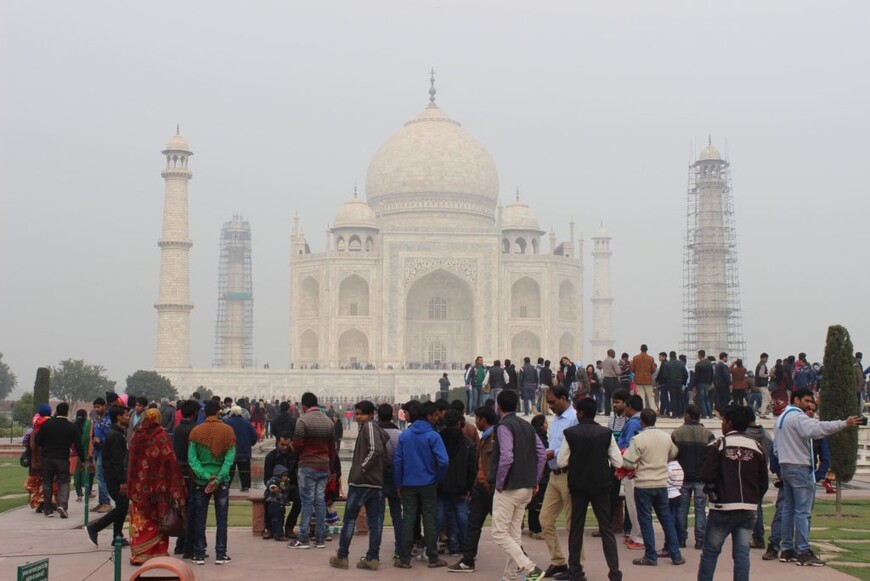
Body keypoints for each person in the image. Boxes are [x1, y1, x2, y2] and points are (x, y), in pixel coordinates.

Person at [773, 387, 862, 566]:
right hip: (799, 467)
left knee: (789, 510)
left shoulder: (781, 418)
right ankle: (803, 551)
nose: (810, 405)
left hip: (786, 466)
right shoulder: (797, 417)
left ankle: (787, 549)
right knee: (803, 512)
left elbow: (775, 448)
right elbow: (817, 429)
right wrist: (844, 423)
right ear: (796, 400)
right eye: (806, 401)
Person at [697, 406, 769, 581]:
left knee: (710, 553)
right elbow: (764, 482)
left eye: (723, 421)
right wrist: (753, 498)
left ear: (729, 423)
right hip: (748, 508)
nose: (722, 425)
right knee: (742, 555)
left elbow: (706, 474)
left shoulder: (719, 445)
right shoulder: (757, 447)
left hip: (723, 507)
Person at [557, 397, 624, 581]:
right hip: (601, 485)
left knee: (576, 529)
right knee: (606, 529)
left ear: (581, 413)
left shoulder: (570, 433)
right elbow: (618, 461)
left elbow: (561, 461)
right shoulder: (605, 433)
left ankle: (575, 571)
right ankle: (614, 571)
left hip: (578, 485)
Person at [489, 390, 547, 581]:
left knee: (499, 533)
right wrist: (535, 479)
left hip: (509, 487)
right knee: (513, 534)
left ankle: (528, 567)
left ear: (499, 406)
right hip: (526, 487)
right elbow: (541, 454)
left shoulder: (504, 426)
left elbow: (506, 457)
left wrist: (499, 481)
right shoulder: (526, 425)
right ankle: (511, 575)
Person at [330, 400, 392, 571]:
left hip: (363, 482)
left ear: (371, 414)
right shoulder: (371, 428)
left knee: (350, 519)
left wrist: (362, 468)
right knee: (375, 522)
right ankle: (372, 558)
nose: (358, 417)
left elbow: (375, 450)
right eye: (356, 414)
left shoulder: (370, 427)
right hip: (375, 483)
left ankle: (342, 556)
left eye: (361, 414)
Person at [621, 409, 684, 567]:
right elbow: (673, 453)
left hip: (643, 483)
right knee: (666, 519)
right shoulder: (666, 437)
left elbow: (628, 462)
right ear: (655, 420)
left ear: (641, 421)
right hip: (661, 483)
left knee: (646, 520)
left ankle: (650, 555)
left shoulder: (638, 439)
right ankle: (675, 554)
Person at [393, 401, 450, 569]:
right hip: (428, 483)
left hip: (409, 483)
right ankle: (432, 557)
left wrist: (399, 483)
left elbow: (398, 461)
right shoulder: (433, 436)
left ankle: (404, 558)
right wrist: (438, 478)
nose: (437, 418)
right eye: (434, 415)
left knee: (409, 519)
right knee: (429, 520)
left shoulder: (405, 435)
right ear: (428, 416)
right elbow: (444, 461)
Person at [127, 408, 187, 565]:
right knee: (157, 519)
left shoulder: (136, 437)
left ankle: (139, 554)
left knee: (141, 521)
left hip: (139, 489)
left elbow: (132, 464)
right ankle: (157, 553)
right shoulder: (161, 437)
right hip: (158, 490)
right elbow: (170, 462)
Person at [448, 405, 498, 574]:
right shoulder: (485, 436)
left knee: (503, 528)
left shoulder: (496, 436)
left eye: (477, 418)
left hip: (490, 487)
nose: (475, 422)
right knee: (473, 524)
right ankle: (468, 560)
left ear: (483, 419)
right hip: (480, 487)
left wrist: (489, 483)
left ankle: (522, 559)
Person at [188, 400, 237, 565]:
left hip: (202, 481)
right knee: (222, 519)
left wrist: (205, 475)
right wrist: (218, 477)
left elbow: (192, 459)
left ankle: (199, 554)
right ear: (218, 413)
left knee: (200, 517)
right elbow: (229, 459)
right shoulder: (227, 431)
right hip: (221, 481)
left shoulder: (196, 431)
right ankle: (221, 554)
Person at [289, 391, 337, 550]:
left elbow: (297, 446)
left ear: (304, 406)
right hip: (323, 466)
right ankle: (320, 539)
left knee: (307, 501)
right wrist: (329, 468)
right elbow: (332, 449)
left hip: (307, 466)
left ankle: (303, 539)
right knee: (319, 501)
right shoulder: (329, 422)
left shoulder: (302, 421)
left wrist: (292, 447)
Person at [538, 386, 577, 578]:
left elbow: (574, 447)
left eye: (553, 402)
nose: (551, 406)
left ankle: (576, 566)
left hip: (569, 474)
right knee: (545, 519)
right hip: (554, 474)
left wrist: (554, 453)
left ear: (563, 398)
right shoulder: (555, 420)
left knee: (572, 524)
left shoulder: (574, 418)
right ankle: (558, 561)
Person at [86, 404, 131, 548]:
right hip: (114, 476)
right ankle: (95, 527)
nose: (128, 418)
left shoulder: (116, 433)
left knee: (122, 505)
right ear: (118, 417)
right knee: (122, 505)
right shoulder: (116, 435)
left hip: (112, 474)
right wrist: (122, 481)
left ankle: (117, 536)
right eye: (126, 415)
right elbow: (118, 461)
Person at [671, 404, 714, 549]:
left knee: (682, 507)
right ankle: (700, 539)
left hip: (683, 476)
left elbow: (672, 455)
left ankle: (681, 538)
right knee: (700, 508)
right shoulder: (707, 434)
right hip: (701, 477)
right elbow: (711, 457)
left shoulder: (678, 433)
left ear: (687, 415)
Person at [436, 409, 476, 556]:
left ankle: (436, 546)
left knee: (440, 516)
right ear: (460, 423)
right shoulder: (467, 443)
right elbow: (472, 468)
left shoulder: (438, 439)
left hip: (440, 484)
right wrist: (469, 487)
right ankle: (463, 547)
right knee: (461, 516)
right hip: (461, 486)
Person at [35, 402, 85, 519]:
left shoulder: (47, 425)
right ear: (67, 412)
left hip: (47, 457)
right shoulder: (71, 427)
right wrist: (83, 460)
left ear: (56, 411)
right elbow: (79, 445)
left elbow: (38, 441)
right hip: (62, 458)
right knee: (64, 481)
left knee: (47, 482)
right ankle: (63, 505)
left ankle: (48, 508)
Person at [616, 395, 644, 549]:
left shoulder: (633, 423)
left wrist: (619, 458)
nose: (624, 409)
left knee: (633, 504)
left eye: (626, 406)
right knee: (633, 504)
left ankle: (639, 537)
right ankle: (634, 535)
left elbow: (628, 446)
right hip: (634, 468)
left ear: (631, 407)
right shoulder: (637, 421)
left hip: (631, 468)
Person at [172, 400, 200, 557]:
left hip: (180, 470)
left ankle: (180, 544)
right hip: (192, 471)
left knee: (182, 509)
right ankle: (191, 546)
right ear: (195, 412)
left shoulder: (177, 429)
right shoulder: (195, 429)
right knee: (193, 510)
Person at [377, 403, 404, 559]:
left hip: (379, 477)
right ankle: (399, 549)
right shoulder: (400, 434)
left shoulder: (375, 433)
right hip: (396, 477)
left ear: (378, 416)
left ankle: (374, 550)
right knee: (397, 515)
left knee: (378, 515)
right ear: (392, 415)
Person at [263, 433, 300, 539]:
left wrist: (290, 484)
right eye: (282, 444)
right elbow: (266, 478)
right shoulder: (271, 456)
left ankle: (289, 527)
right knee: (268, 500)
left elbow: (297, 475)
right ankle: (269, 528)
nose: (284, 447)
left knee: (300, 499)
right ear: (277, 443)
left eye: (287, 445)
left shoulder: (294, 456)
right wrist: (273, 487)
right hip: (274, 487)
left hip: (290, 487)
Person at [224, 406, 258, 492]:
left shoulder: (226, 422)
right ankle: (245, 487)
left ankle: (225, 486)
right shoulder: (247, 423)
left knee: (229, 471)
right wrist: (251, 443)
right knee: (244, 471)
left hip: (230, 452)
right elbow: (254, 435)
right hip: (244, 451)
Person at [527, 414, 549, 539]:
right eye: (545, 423)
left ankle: (532, 528)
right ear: (540, 426)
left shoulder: (533, 438)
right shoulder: (541, 441)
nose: (547, 425)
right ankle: (537, 529)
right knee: (538, 503)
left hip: (535, 475)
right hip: (542, 476)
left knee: (533, 503)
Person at [90, 397, 112, 513]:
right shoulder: (98, 418)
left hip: (104, 449)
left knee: (100, 476)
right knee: (98, 477)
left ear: (104, 406)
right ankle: (101, 501)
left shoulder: (108, 419)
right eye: (95, 407)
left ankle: (106, 502)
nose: (97, 409)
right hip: (97, 449)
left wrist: (101, 440)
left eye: (98, 407)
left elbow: (110, 435)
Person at [73, 409, 94, 503]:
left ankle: (79, 495)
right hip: (87, 452)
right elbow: (91, 437)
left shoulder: (73, 425)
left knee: (77, 474)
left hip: (76, 453)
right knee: (89, 472)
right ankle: (88, 493)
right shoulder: (89, 423)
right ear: (85, 416)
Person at [630, 345, 657, 411]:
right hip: (648, 380)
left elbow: (632, 369)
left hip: (638, 380)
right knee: (650, 396)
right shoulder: (650, 358)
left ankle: (642, 410)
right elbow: (653, 369)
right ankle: (653, 410)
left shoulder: (635, 358)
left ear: (640, 349)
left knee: (641, 396)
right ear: (647, 349)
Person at [693, 350, 714, 419]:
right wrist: (710, 382)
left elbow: (696, 376)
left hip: (700, 383)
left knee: (701, 399)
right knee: (707, 399)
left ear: (699, 355)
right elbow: (712, 374)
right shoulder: (709, 363)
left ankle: (704, 414)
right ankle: (710, 414)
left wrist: (694, 386)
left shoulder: (698, 364)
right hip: (707, 383)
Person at [601, 349, 621, 416]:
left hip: (605, 379)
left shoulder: (604, 361)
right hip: (612, 379)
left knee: (607, 397)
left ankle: (607, 412)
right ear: (612, 354)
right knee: (614, 396)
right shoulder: (614, 361)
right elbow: (618, 372)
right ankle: (615, 411)